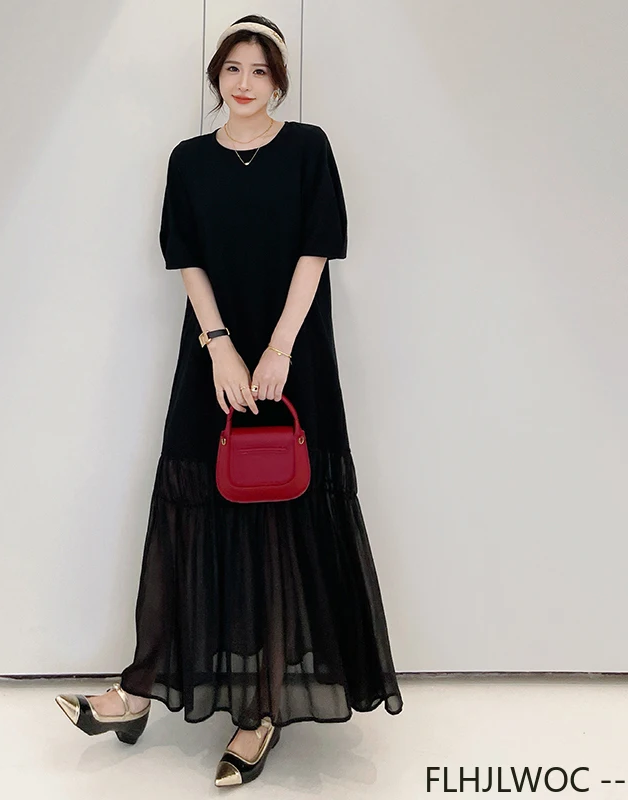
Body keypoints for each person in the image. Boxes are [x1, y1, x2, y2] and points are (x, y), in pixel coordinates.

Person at [55, 14, 404, 787]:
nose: (244, 83)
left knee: (280, 514)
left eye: (260, 70)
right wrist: (219, 346)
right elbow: (187, 256)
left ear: (279, 80)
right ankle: (140, 689)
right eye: (233, 68)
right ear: (216, 76)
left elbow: (317, 249)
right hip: (213, 356)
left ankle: (262, 711)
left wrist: (277, 350)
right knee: (192, 506)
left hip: (292, 356)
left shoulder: (308, 148)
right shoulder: (188, 160)